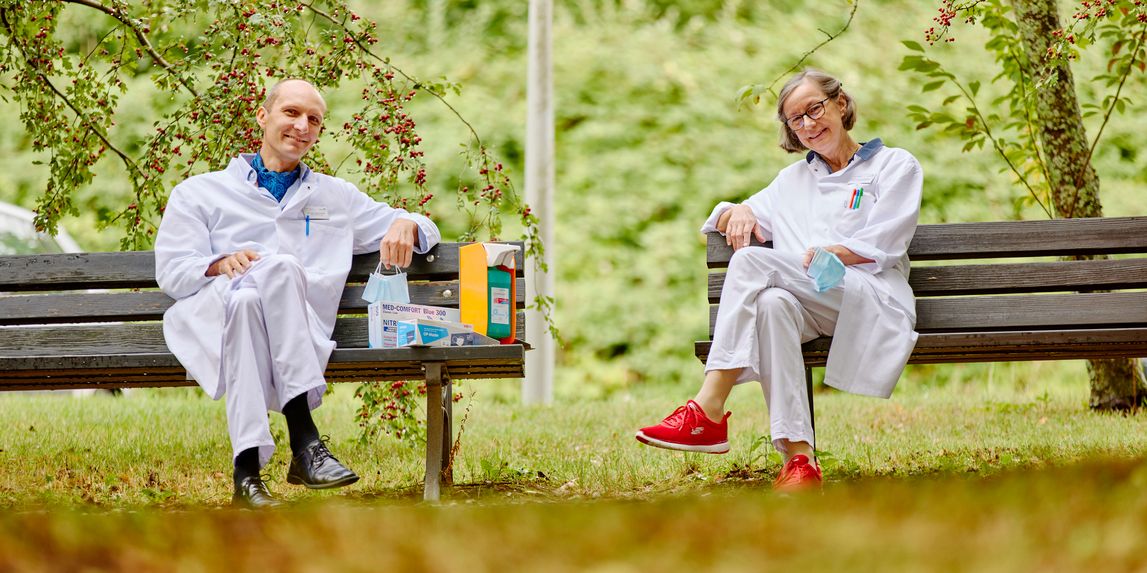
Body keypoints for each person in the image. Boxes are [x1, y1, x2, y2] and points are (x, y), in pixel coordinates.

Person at [155, 79, 441, 508]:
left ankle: (246, 475)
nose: (302, 125)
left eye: (314, 119)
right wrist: (217, 264)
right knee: (266, 277)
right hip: (215, 324)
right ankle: (305, 442)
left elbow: (427, 231)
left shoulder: (335, 197)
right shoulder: (199, 192)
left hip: (294, 330)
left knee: (255, 295)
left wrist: (409, 223)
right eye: (291, 112)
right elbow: (173, 274)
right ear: (262, 115)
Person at [635, 69, 923, 491]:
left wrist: (833, 253)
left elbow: (887, 241)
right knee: (771, 304)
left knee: (753, 263)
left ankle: (709, 409)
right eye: (795, 119)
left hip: (870, 298)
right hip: (814, 307)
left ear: (840, 104)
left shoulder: (894, 165)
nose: (808, 124)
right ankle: (799, 460)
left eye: (814, 109)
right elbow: (725, 216)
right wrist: (740, 211)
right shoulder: (792, 180)